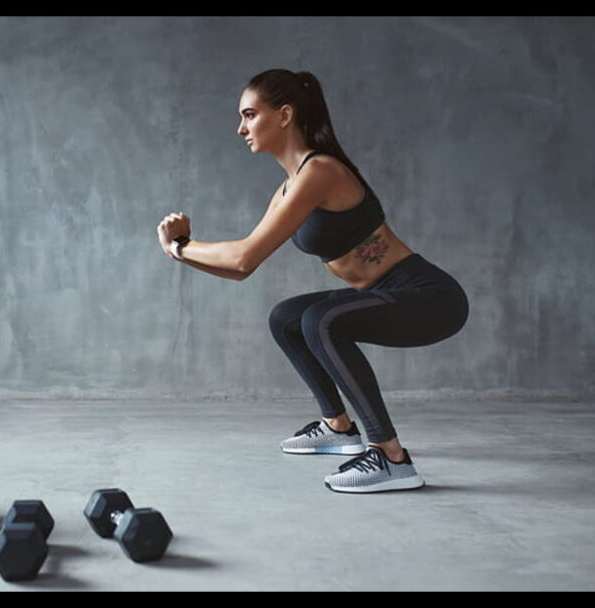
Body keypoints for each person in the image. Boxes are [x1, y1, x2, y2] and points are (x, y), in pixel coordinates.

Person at [155, 69, 469, 493]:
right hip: (381, 291)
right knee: (286, 317)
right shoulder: (287, 189)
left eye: (250, 114)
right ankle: (338, 428)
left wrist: (180, 247)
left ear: (284, 115)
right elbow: (244, 266)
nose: (241, 127)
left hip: (429, 296)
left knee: (322, 320)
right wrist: (181, 251)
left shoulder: (320, 171)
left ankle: (392, 457)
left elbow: (244, 254)